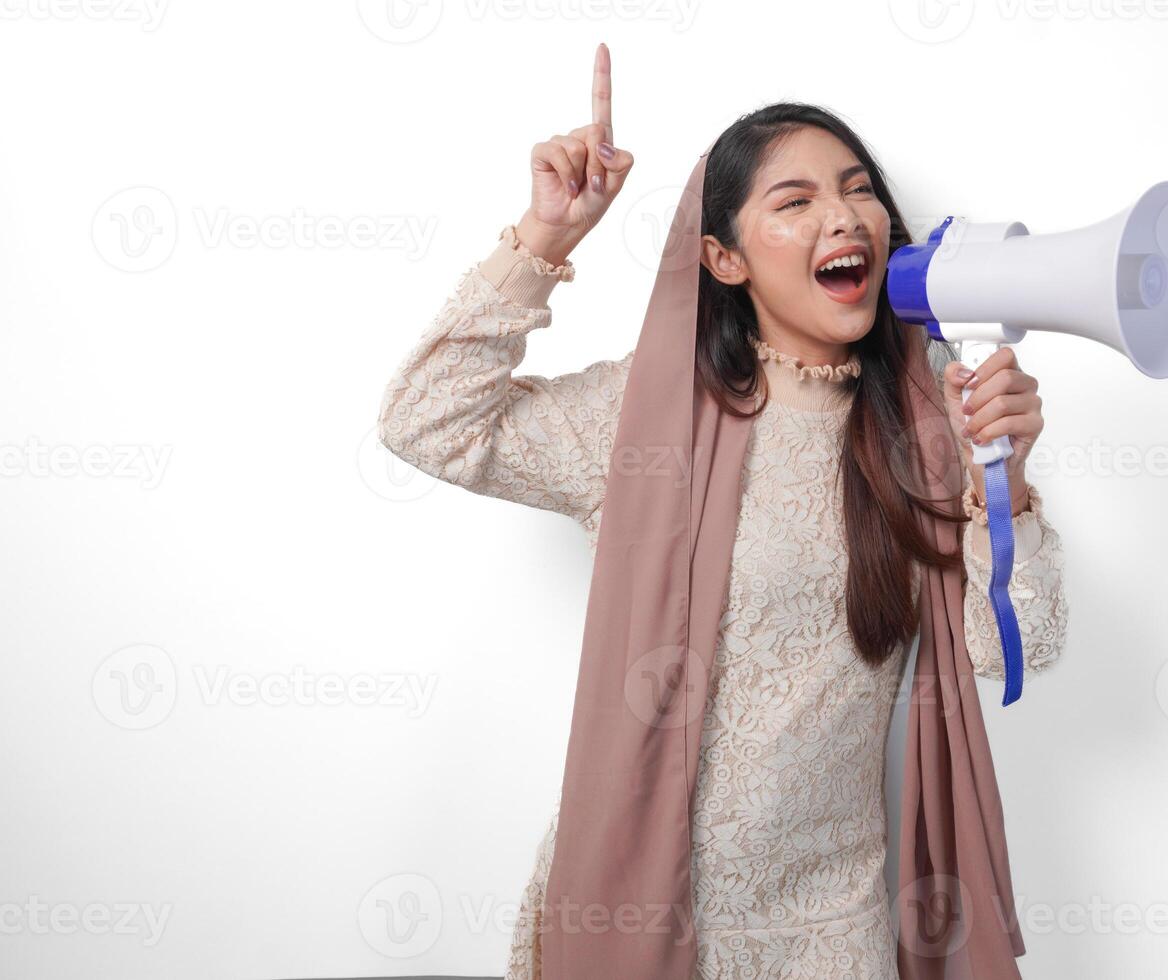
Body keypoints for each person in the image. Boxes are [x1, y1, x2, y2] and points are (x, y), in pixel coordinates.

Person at [377, 42, 1068, 980]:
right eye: (796, 201)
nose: (844, 216)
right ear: (724, 258)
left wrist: (1008, 481)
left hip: (836, 927)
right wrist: (547, 236)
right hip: (638, 907)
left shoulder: (935, 419)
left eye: (858, 189)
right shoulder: (642, 420)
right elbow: (427, 418)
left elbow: (1012, 644)